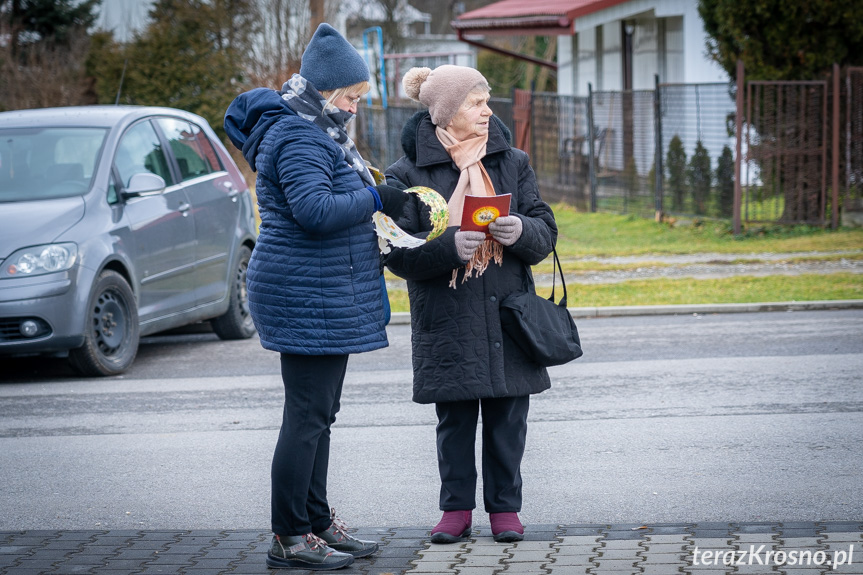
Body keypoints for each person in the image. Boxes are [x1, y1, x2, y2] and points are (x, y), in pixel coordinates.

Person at [224, 23, 408, 571]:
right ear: (326, 91)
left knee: (318, 415)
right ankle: (289, 535)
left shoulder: (315, 130)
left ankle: (317, 522)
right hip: (305, 292)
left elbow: (332, 200)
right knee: (306, 417)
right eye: (351, 97)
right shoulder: (301, 136)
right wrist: (380, 196)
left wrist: (377, 200)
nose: (354, 108)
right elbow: (316, 212)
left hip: (320, 290)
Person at [383, 65, 558, 544]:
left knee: (508, 421)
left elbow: (545, 232)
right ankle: (455, 511)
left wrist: (521, 230)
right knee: (455, 422)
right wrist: (445, 249)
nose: (487, 111)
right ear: (447, 112)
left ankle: (505, 511)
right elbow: (394, 250)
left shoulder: (513, 161)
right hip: (447, 317)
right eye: (475, 103)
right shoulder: (406, 174)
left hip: (509, 315)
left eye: (486, 101)